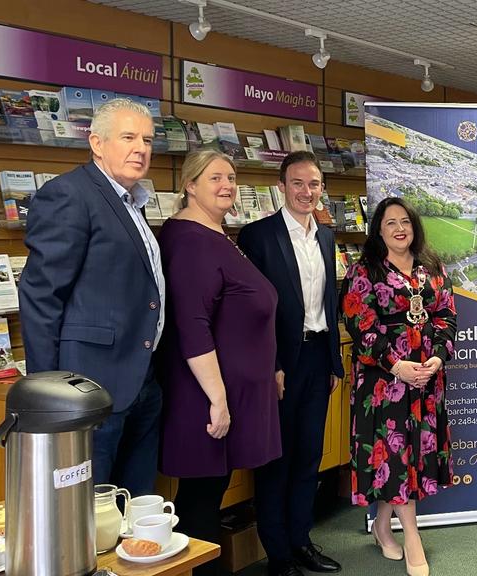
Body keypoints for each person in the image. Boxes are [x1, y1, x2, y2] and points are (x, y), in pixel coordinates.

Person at [19, 98, 165, 496]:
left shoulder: (132, 202)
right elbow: (41, 296)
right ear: (96, 143)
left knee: (133, 506)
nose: (141, 148)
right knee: (84, 507)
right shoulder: (70, 194)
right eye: (128, 137)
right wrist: (48, 393)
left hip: (142, 380)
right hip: (88, 388)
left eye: (147, 140)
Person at [157, 150, 281, 576]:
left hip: (226, 391)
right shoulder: (190, 240)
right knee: (200, 502)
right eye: (215, 178)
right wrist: (218, 399)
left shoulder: (215, 233)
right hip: (205, 396)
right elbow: (192, 325)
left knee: (209, 494)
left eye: (231, 177)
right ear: (190, 185)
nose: (227, 185)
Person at [238, 151, 345, 576]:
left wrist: (334, 361)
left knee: (308, 456)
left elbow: (329, 302)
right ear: (281, 186)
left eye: (314, 184)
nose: (306, 191)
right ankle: (278, 555)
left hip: (318, 358)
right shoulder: (258, 236)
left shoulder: (326, 237)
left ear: (322, 189)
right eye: (297, 183)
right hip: (281, 363)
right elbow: (252, 311)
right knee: (276, 460)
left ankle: (301, 541)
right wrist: (273, 364)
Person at [341, 196, 457, 576]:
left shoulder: (432, 266)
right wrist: (396, 365)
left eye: (405, 221)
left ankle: (381, 526)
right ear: (378, 230)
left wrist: (437, 358)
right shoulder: (364, 271)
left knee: (411, 457)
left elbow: (446, 316)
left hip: (426, 379)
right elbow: (361, 326)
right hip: (384, 382)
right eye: (390, 222)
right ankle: (412, 536)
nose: (399, 228)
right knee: (395, 457)